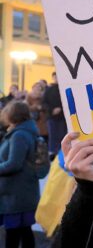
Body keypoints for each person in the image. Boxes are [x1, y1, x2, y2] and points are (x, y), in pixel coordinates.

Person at [0, 101, 40, 248]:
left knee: (13, 233)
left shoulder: (19, 135)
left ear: (12, 115)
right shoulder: (25, 131)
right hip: (22, 191)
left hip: (16, 194)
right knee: (24, 231)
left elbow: (14, 164)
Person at [42, 72, 67, 159]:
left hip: (63, 117)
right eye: (55, 77)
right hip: (51, 117)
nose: (56, 79)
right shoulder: (48, 90)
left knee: (62, 136)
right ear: (53, 78)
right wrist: (52, 110)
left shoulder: (64, 88)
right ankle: (52, 153)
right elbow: (44, 103)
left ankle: (61, 153)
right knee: (52, 136)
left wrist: (60, 108)